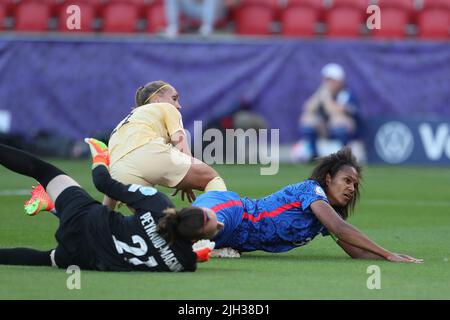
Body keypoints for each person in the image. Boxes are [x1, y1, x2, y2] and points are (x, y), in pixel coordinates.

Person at [0, 139, 222, 271]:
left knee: (43, 171)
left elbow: (103, 182)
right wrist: (197, 254)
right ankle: (51, 205)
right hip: (83, 256)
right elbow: (177, 252)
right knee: (43, 259)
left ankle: (53, 203)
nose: (221, 224)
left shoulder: (158, 204)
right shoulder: (185, 264)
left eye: (214, 224)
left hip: (86, 219)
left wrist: (100, 158)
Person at [193, 148, 423, 263]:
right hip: (234, 210)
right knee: (186, 228)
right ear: (328, 179)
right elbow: (340, 229)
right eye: (347, 180)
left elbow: (356, 251)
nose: (352, 188)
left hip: (232, 239)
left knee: (190, 250)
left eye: (355, 184)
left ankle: (214, 249)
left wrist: (388, 258)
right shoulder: (311, 190)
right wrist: (388, 253)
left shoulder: (322, 221)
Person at [106, 80, 227, 209]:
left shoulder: (122, 124)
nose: (178, 105)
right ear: (157, 100)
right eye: (174, 99)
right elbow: (180, 144)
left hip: (119, 172)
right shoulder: (166, 107)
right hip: (148, 152)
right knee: (211, 178)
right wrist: (189, 174)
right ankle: (223, 221)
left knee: (160, 221)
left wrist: (103, 216)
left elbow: (111, 180)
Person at [298, 63, 361, 161]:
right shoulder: (323, 92)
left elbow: (335, 112)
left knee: (339, 120)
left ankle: (343, 156)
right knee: (307, 118)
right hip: (325, 128)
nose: (328, 83)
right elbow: (307, 108)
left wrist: (326, 98)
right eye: (326, 80)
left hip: (348, 132)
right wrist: (319, 95)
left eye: (331, 80)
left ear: (339, 81)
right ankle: (313, 154)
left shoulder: (346, 94)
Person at [164, 0, 238, 37]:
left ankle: (207, 30)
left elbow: (232, 3)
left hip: (215, 13)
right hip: (194, 9)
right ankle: (173, 28)